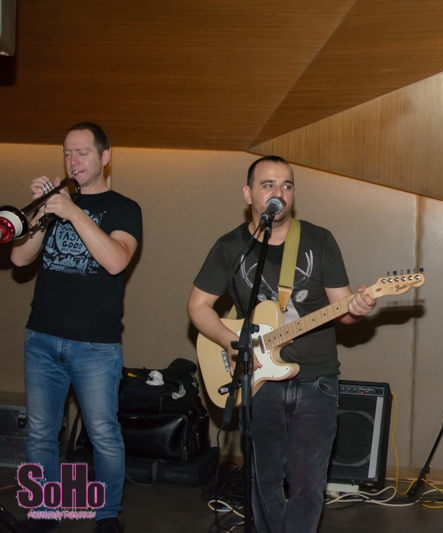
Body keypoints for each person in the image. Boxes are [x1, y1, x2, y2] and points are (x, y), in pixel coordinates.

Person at [187, 155, 376, 532]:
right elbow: (198, 305)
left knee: (308, 485)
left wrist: (359, 307)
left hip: (317, 380)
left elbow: (344, 312)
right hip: (258, 380)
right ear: (248, 194)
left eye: (286, 185)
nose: (279, 192)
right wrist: (230, 341)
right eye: (268, 184)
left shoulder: (319, 241)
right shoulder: (231, 247)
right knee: (263, 480)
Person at [10, 123, 142, 533]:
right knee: (40, 433)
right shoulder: (56, 205)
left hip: (95, 345)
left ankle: (107, 516)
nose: (73, 161)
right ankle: (43, 512)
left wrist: (73, 212)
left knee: (103, 434)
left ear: (105, 157)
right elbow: (19, 259)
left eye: (82, 152)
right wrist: (42, 214)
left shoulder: (124, 208)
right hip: (41, 337)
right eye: (67, 153)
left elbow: (116, 261)